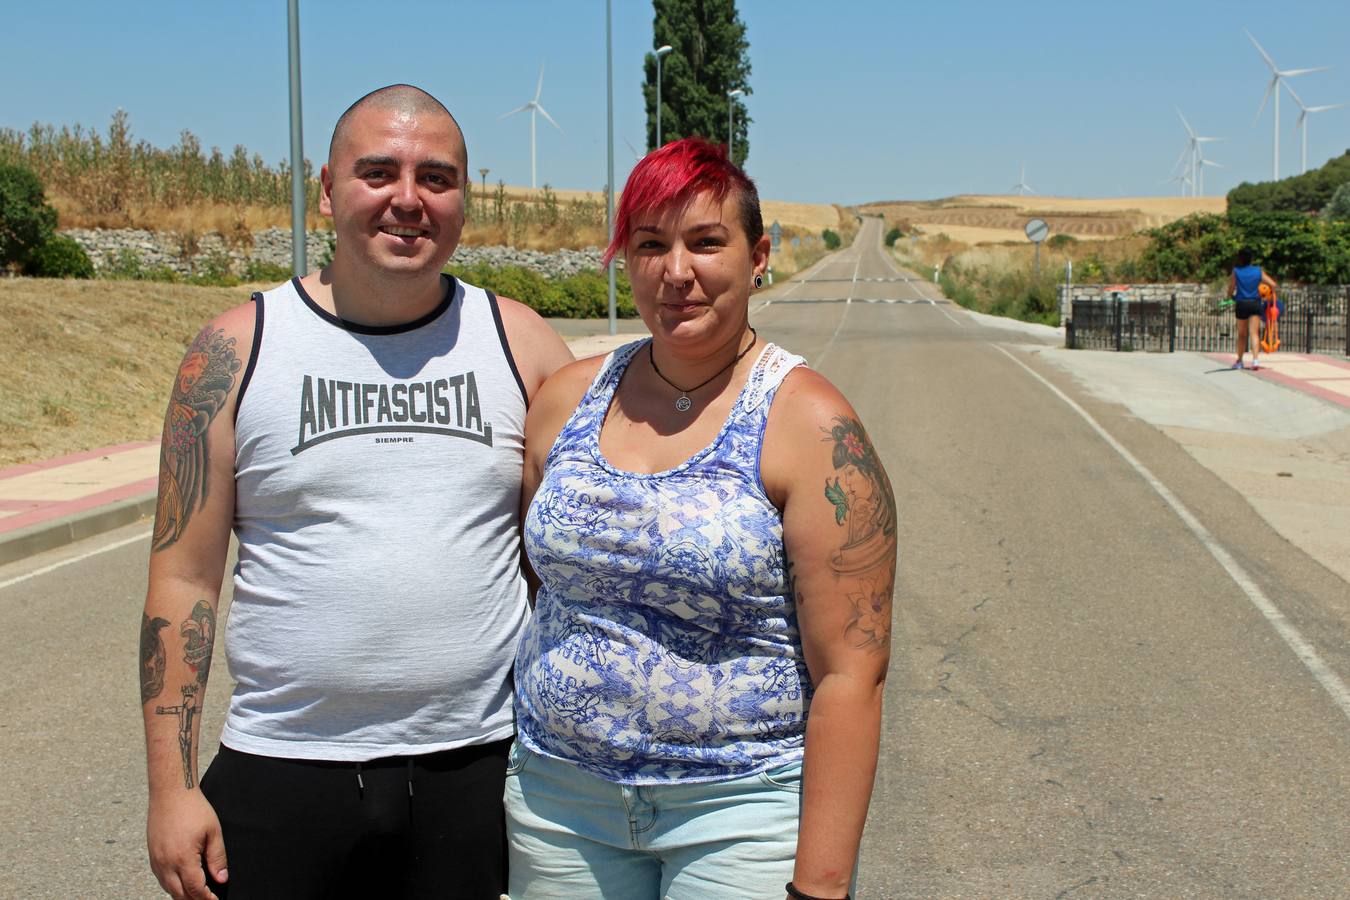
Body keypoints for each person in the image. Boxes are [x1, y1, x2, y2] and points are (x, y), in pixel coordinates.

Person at [139, 84, 573, 900]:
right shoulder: (232, 354)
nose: (408, 200)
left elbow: (575, 560)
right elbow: (183, 581)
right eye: (379, 172)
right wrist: (171, 788)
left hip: (480, 769)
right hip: (282, 769)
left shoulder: (523, 346)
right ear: (328, 188)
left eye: (437, 178)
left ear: (465, 201)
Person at [506, 137, 897, 900]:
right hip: (558, 805)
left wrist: (821, 885)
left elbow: (853, 674)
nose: (675, 271)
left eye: (706, 242)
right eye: (650, 244)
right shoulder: (565, 401)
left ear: (759, 257)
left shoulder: (813, 426)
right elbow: (538, 587)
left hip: (740, 813)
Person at [1227, 247, 1278, 371]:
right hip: (1255, 303)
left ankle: (1239, 361)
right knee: (1254, 333)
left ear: (1240, 258)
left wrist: (1231, 296)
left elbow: (1231, 288)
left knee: (1242, 334)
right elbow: (1273, 284)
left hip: (1241, 303)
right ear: (1251, 258)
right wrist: (1266, 294)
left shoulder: (1236, 271)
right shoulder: (1258, 271)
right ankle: (1255, 360)